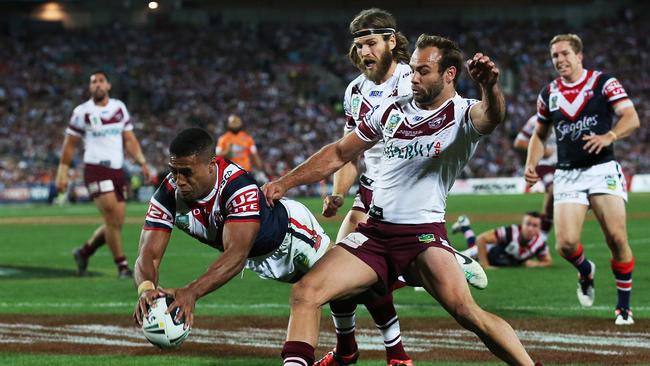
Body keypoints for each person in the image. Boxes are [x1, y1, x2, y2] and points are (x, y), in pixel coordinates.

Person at [265, 34, 540, 366]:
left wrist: (490, 88)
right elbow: (340, 152)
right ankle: (346, 352)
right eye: (412, 70)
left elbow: (492, 116)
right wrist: (285, 183)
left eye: (423, 71)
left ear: (450, 74)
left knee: (468, 313)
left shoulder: (463, 114)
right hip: (375, 234)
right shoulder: (392, 109)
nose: (414, 78)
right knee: (305, 293)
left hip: (422, 236)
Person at [318, 9, 485, 366]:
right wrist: (337, 192)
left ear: (391, 42)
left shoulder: (414, 78)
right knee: (338, 273)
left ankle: (392, 345)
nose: (364, 52)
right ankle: (355, 348)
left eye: (371, 43)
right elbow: (348, 152)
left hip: (402, 193)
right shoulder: (354, 91)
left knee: (360, 274)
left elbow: (443, 122)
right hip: (368, 189)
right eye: (359, 45)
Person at [133, 127, 330, 328]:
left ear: (211, 165)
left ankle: (345, 347)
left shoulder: (237, 187)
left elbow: (236, 254)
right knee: (320, 293)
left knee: (342, 288)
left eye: (186, 172)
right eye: (174, 171)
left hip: (292, 236)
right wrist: (146, 288)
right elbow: (148, 254)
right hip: (257, 259)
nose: (179, 180)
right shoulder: (167, 194)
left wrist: (192, 291)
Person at [525, 34, 640, 325]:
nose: (560, 60)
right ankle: (585, 270)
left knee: (616, 238)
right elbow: (538, 135)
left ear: (579, 56)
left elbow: (630, 116)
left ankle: (623, 307)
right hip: (567, 174)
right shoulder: (548, 93)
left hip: (602, 169)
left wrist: (610, 136)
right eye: (555, 56)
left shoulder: (604, 83)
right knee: (565, 245)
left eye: (565, 54)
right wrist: (531, 163)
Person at [56, 71, 151, 279]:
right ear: (90, 88)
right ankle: (122, 267)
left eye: (101, 81)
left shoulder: (119, 108)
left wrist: (143, 162)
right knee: (111, 217)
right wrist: (62, 174)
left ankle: (84, 253)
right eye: (93, 82)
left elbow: (130, 139)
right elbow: (69, 145)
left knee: (116, 222)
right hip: (95, 169)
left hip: (117, 170)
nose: (97, 85)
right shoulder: (82, 112)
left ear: (108, 86)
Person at [452, 212, 552, 269]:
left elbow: (547, 261)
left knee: (472, 245)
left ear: (540, 228)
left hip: (499, 259)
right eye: (528, 224)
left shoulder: (539, 243)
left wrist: (536, 264)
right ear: (522, 224)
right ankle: (464, 226)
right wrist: (485, 265)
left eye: (535, 226)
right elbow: (481, 239)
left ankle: (464, 226)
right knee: (454, 260)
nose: (530, 228)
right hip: (485, 253)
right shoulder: (511, 231)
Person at [513, 115, 555, 240]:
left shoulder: (569, 114)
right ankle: (543, 234)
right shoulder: (535, 120)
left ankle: (543, 230)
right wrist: (543, 149)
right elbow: (519, 142)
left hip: (566, 164)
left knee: (555, 197)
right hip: (545, 163)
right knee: (553, 189)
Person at [216, 114, 266, 181]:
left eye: (236, 124)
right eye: (233, 124)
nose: (235, 126)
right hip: (231, 172)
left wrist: (260, 167)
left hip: (245, 170)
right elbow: (217, 155)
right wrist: (226, 152)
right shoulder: (223, 139)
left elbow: (254, 154)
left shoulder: (247, 138)